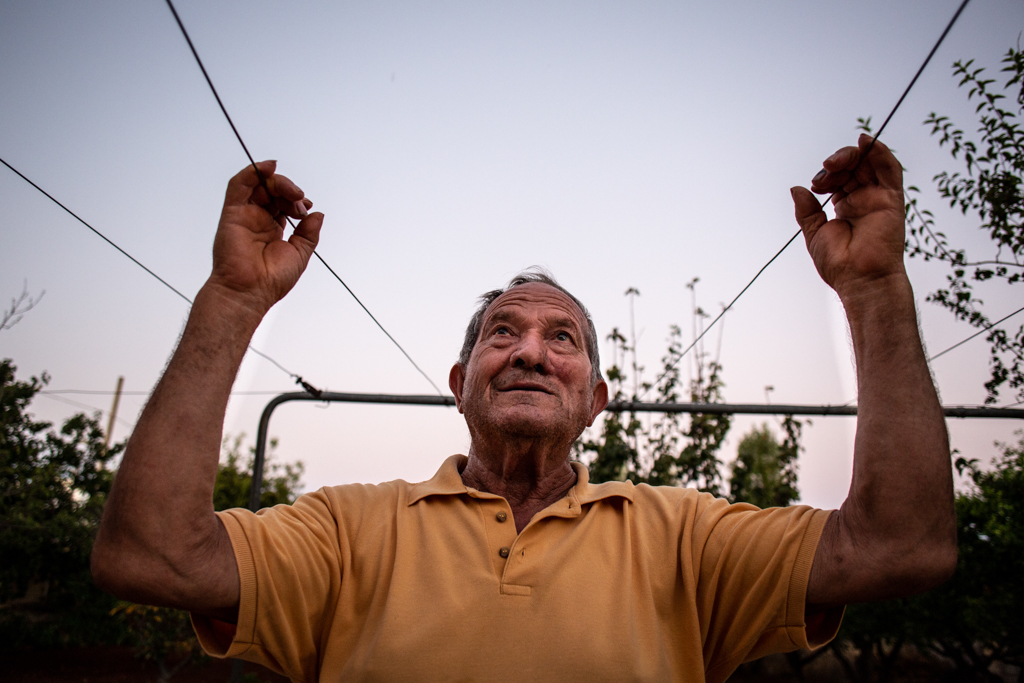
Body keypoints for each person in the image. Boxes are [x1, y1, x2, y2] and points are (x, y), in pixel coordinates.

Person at [92, 136, 957, 682]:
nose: (531, 351)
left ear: (595, 400)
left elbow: (900, 547)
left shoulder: (686, 539)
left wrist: (874, 287)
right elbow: (149, 558)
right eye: (503, 332)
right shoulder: (348, 532)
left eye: (562, 337)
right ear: (460, 380)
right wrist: (233, 298)